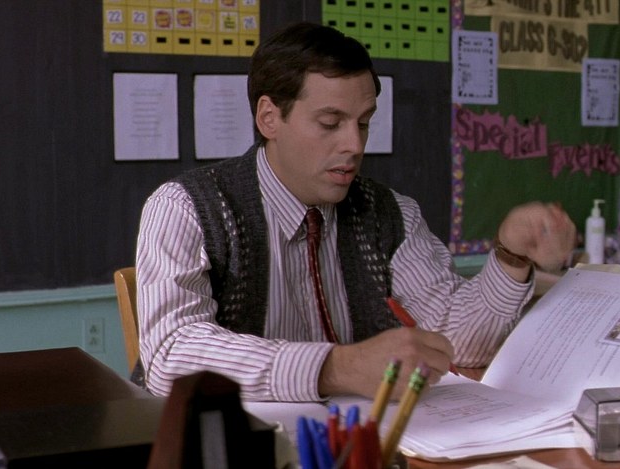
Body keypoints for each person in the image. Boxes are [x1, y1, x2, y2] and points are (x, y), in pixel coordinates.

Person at [135, 21, 576, 402]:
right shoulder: (186, 208)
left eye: (363, 123)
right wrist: (336, 367)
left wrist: (512, 258)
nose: (354, 144)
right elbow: (169, 355)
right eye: (330, 123)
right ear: (269, 117)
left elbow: (458, 344)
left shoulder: (390, 214)